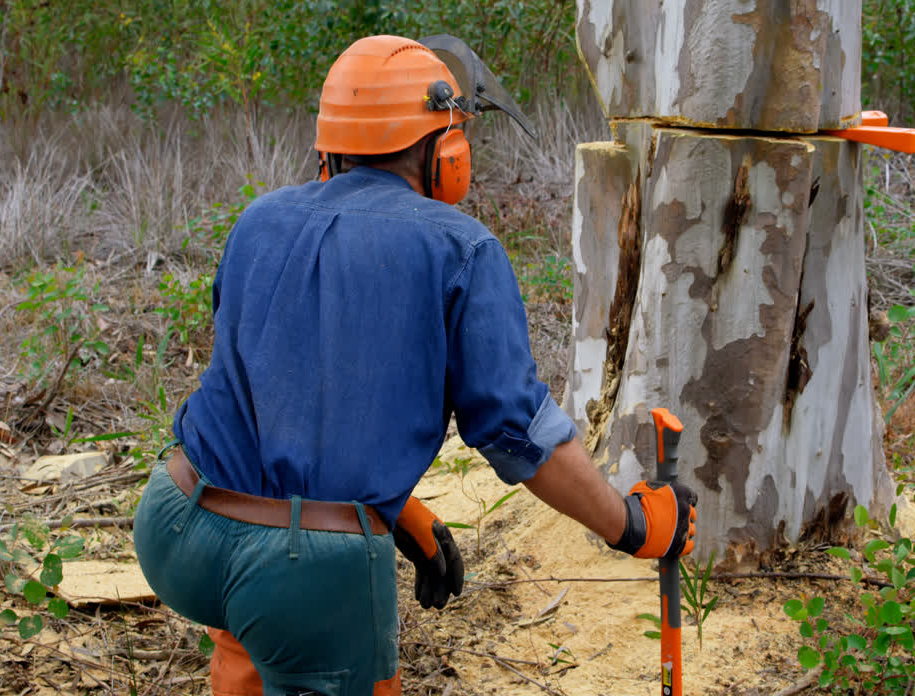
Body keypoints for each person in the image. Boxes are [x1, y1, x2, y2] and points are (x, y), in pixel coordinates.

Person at [132, 34, 697, 696]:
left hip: (174, 525)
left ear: (330, 142)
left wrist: (398, 511)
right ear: (444, 150)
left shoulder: (259, 220)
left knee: (258, 627)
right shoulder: (461, 249)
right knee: (289, 609)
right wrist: (630, 525)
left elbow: (274, 386)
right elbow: (517, 433)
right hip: (298, 571)